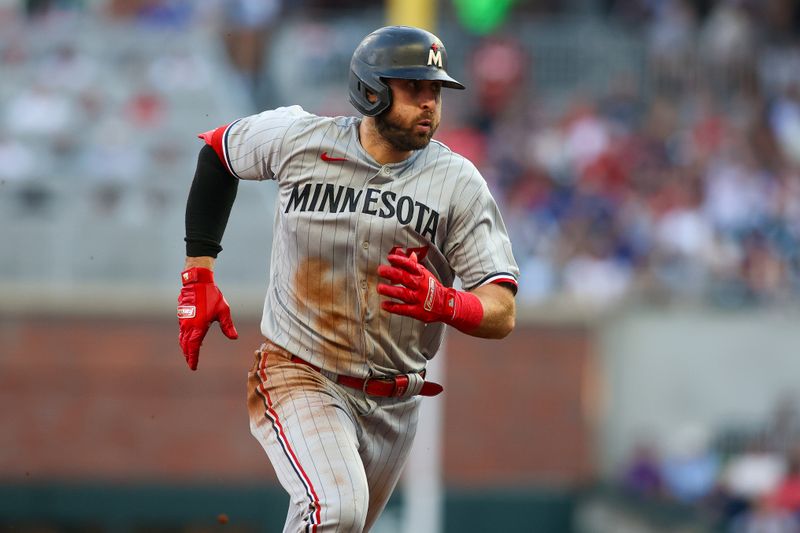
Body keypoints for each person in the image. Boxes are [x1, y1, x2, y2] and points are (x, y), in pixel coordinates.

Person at [176, 25, 519, 532]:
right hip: (301, 370)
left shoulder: (458, 183)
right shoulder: (300, 138)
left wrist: (447, 303)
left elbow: (503, 310)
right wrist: (199, 272)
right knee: (336, 510)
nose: (429, 102)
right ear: (372, 89)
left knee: (344, 522)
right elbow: (219, 151)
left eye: (435, 90)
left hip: (395, 402)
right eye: (414, 88)